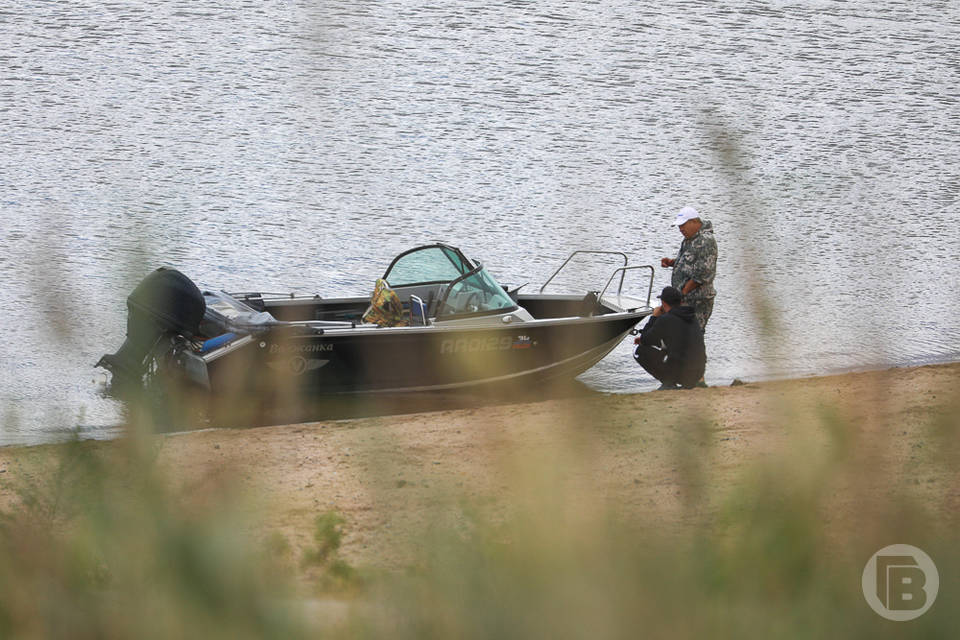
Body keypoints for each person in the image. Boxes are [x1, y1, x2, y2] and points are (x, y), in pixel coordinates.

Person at [633, 286, 706, 390]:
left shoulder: (665, 319)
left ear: (663, 303)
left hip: (681, 375)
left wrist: (654, 317)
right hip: (698, 373)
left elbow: (645, 339)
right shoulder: (691, 316)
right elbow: (677, 340)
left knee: (638, 350)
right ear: (680, 302)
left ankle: (669, 382)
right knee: (670, 348)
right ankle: (674, 382)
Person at [661, 206, 717, 332]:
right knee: (680, 335)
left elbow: (702, 274)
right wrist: (672, 263)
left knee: (692, 336)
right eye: (679, 226)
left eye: (683, 225)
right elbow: (690, 262)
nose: (680, 229)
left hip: (696, 301)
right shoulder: (690, 239)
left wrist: (682, 294)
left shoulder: (705, 241)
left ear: (694, 222)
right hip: (684, 300)